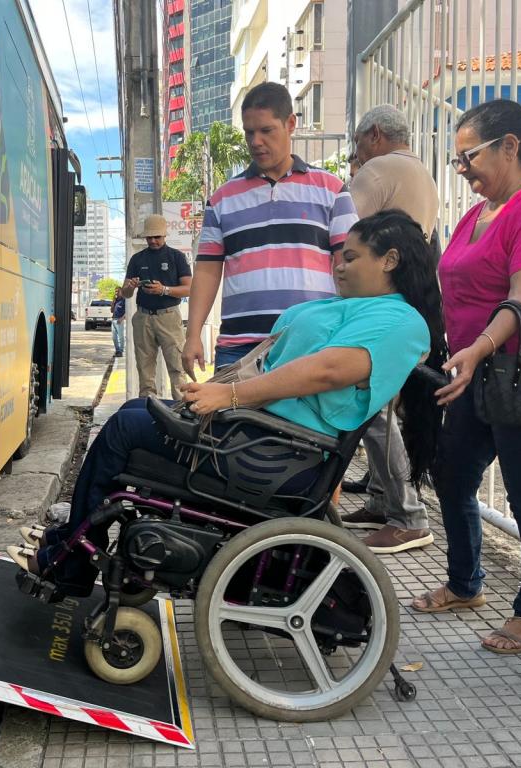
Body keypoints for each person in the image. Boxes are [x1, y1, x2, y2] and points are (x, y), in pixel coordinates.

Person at [8, 211, 447, 596]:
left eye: (351, 257)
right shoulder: (359, 307)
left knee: (125, 431)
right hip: (258, 433)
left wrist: (230, 395)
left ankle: (70, 564)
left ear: (389, 260)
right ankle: (70, 543)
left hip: (277, 455)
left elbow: (329, 370)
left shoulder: (399, 320)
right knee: (130, 413)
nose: (339, 265)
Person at [409, 99, 521, 655]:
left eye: (469, 156)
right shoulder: (479, 213)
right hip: (474, 370)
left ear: (510, 147)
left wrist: (478, 348)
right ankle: (466, 583)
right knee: (453, 474)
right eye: (456, 160)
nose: (462, 169)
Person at [182, 81, 358, 375]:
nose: (256, 141)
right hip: (239, 347)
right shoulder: (222, 199)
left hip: (311, 343)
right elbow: (207, 271)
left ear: (290, 124)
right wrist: (192, 335)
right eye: (249, 132)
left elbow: (349, 266)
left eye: (266, 130)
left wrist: (349, 332)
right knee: (225, 408)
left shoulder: (332, 190)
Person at [342, 104, 441, 554]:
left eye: (358, 143)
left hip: (377, 303)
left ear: (375, 134)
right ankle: (384, 501)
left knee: (372, 404)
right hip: (407, 302)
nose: (357, 154)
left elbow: (345, 235)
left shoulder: (378, 169)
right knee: (382, 406)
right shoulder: (422, 175)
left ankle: (408, 515)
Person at [120, 215, 192, 398]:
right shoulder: (137, 259)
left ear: (164, 235)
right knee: (144, 368)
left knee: (177, 366)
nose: (153, 241)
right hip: (143, 317)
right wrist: (130, 286)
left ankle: (181, 408)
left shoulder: (177, 257)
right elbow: (126, 294)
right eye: (149, 237)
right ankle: (147, 407)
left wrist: (164, 289)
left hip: (169, 316)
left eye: (157, 237)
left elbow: (189, 289)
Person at [110, 287, 125, 357]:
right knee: (114, 337)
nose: (116, 293)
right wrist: (113, 301)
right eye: (115, 291)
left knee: (120, 337)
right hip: (113, 320)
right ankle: (117, 350)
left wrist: (122, 318)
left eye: (118, 291)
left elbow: (127, 311)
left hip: (119, 320)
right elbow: (111, 311)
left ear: (121, 292)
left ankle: (121, 351)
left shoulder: (124, 300)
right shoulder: (116, 300)